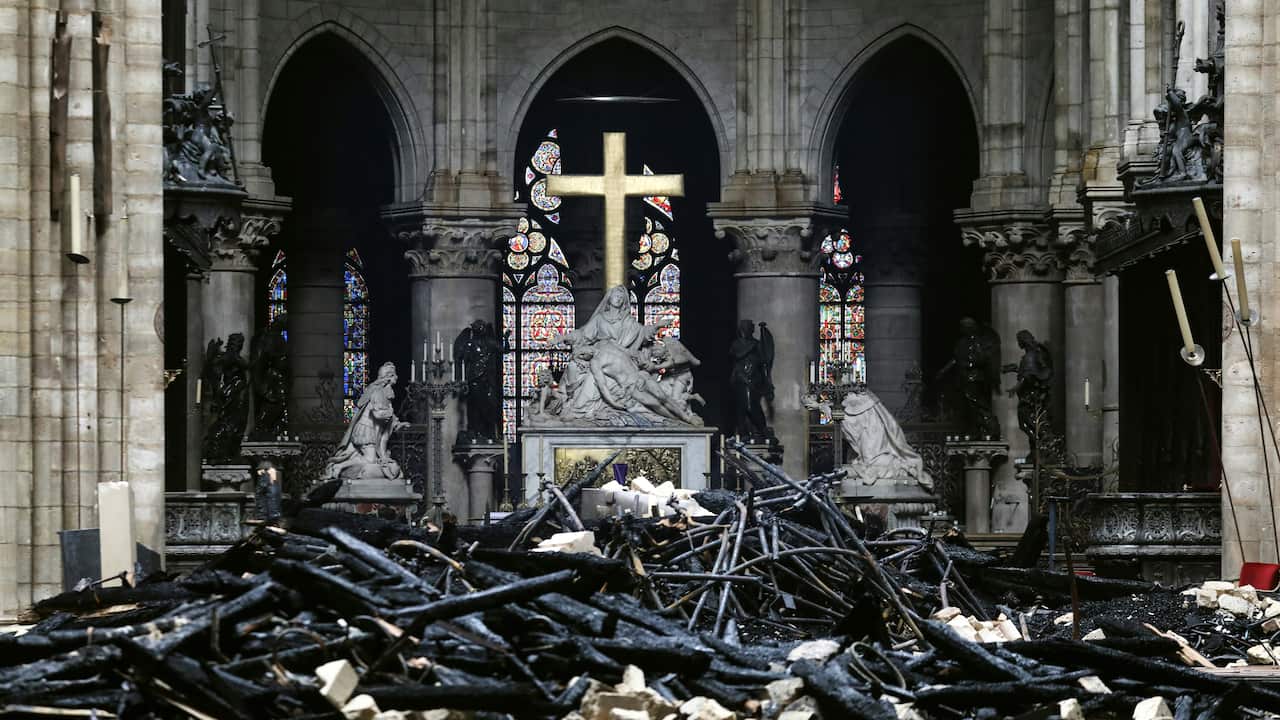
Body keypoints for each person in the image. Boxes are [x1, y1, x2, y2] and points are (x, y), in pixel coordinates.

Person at [324, 362, 408, 480]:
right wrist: (389, 413)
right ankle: (338, 467)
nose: (397, 377)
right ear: (388, 377)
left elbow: (388, 413)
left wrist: (398, 423)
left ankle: (340, 467)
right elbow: (378, 413)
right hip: (366, 429)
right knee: (370, 459)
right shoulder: (377, 391)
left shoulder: (385, 391)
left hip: (373, 430)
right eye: (394, 375)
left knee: (370, 459)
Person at [840, 387, 933, 489]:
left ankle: (899, 464)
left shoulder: (871, 412)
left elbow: (890, 428)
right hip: (869, 436)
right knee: (872, 460)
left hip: (874, 437)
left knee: (875, 460)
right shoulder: (855, 412)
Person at [936, 317, 1000, 439]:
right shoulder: (961, 343)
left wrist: (971, 364)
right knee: (966, 405)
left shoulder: (979, 342)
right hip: (963, 378)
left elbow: (982, 359)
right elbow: (955, 359)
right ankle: (971, 429)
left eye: (965, 327)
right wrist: (943, 370)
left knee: (976, 403)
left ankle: (988, 427)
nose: (963, 329)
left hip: (975, 377)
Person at [728, 320, 774, 440]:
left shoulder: (756, 344)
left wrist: (767, 381)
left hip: (754, 380)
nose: (750, 330)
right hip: (741, 379)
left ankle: (759, 430)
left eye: (751, 328)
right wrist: (754, 346)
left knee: (752, 405)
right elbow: (738, 354)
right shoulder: (737, 344)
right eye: (748, 328)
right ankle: (746, 432)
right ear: (743, 329)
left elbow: (763, 362)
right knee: (744, 406)